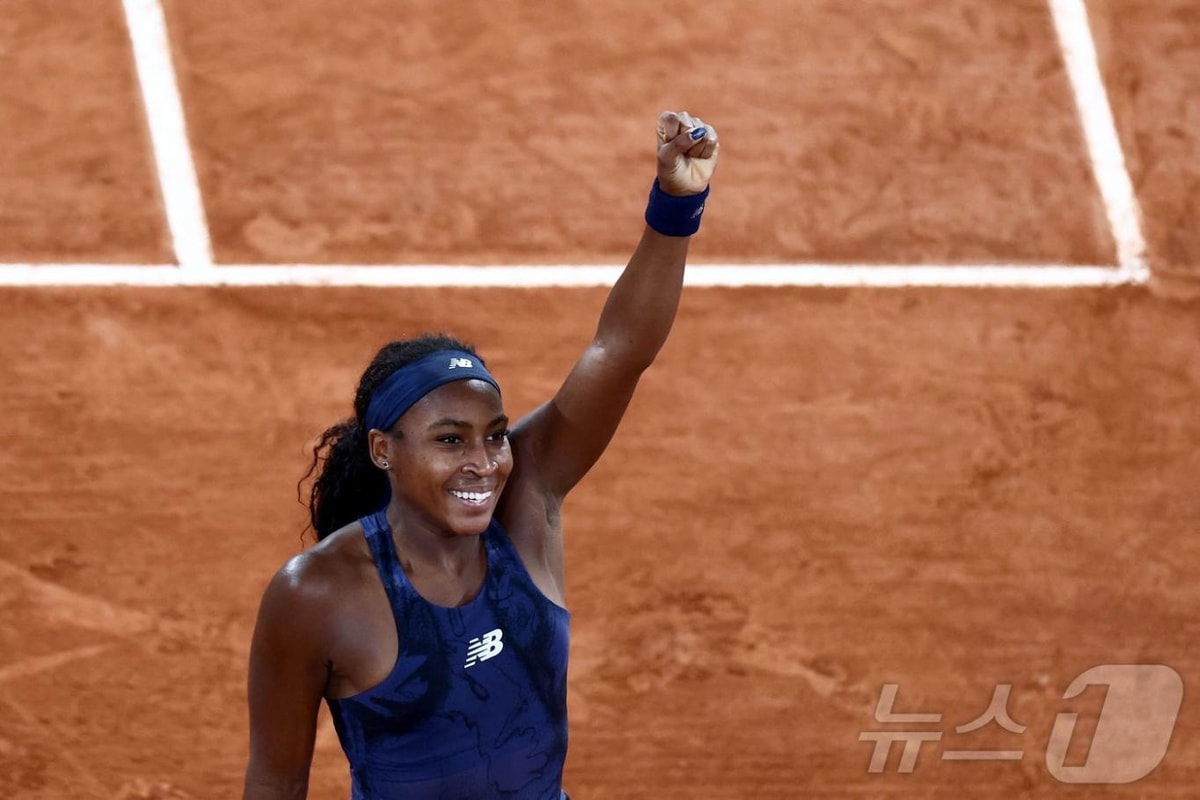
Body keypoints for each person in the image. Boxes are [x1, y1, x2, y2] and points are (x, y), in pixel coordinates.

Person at [242, 109, 720, 800]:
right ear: (383, 450)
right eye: (449, 440)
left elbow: (619, 351)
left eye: (494, 434)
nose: (485, 462)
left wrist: (676, 206)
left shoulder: (528, 500)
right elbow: (276, 779)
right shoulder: (315, 594)